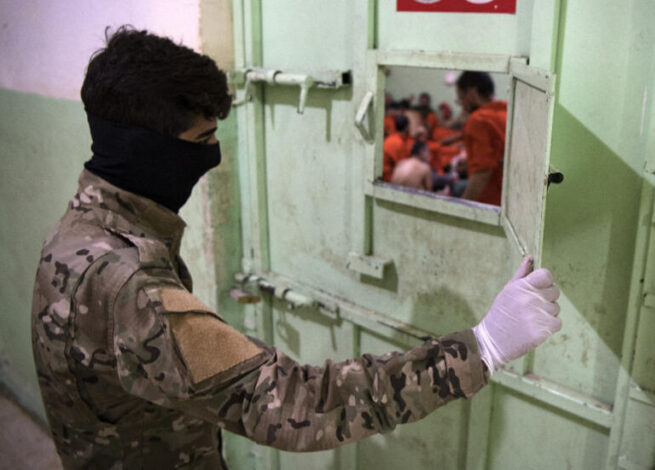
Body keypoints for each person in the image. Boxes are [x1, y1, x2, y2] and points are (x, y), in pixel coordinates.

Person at [31, 27, 562, 469]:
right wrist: (482, 348)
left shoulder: (84, 230)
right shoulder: (128, 282)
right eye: (201, 141)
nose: (212, 155)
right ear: (144, 150)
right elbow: (293, 404)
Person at [456, 71, 507, 205]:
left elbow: (483, 171)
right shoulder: (507, 111)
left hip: (491, 201)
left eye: (461, 99)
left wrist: (463, 206)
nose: (462, 106)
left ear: (472, 93)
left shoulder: (478, 120)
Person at [382, 114, 412, 181]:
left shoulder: (390, 138)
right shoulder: (398, 142)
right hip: (389, 178)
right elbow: (403, 165)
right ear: (407, 127)